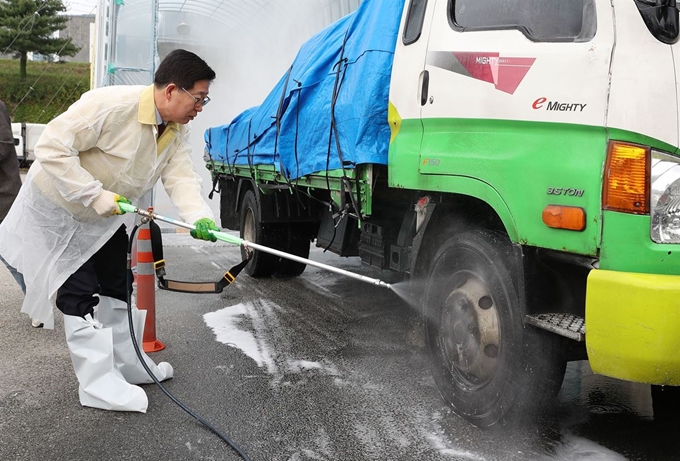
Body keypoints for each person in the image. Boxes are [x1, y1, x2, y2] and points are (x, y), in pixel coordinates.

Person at [0, 49, 220, 413]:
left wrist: (198, 215)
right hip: (59, 210)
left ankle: (128, 364)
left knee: (119, 285)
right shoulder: (111, 105)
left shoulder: (177, 129)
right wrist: (92, 193)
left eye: (203, 99)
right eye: (198, 98)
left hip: (107, 215)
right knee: (80, 291)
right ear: (170, 91)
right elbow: (52, 146)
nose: (200, 107)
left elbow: (180, 174)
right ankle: (98, 384)